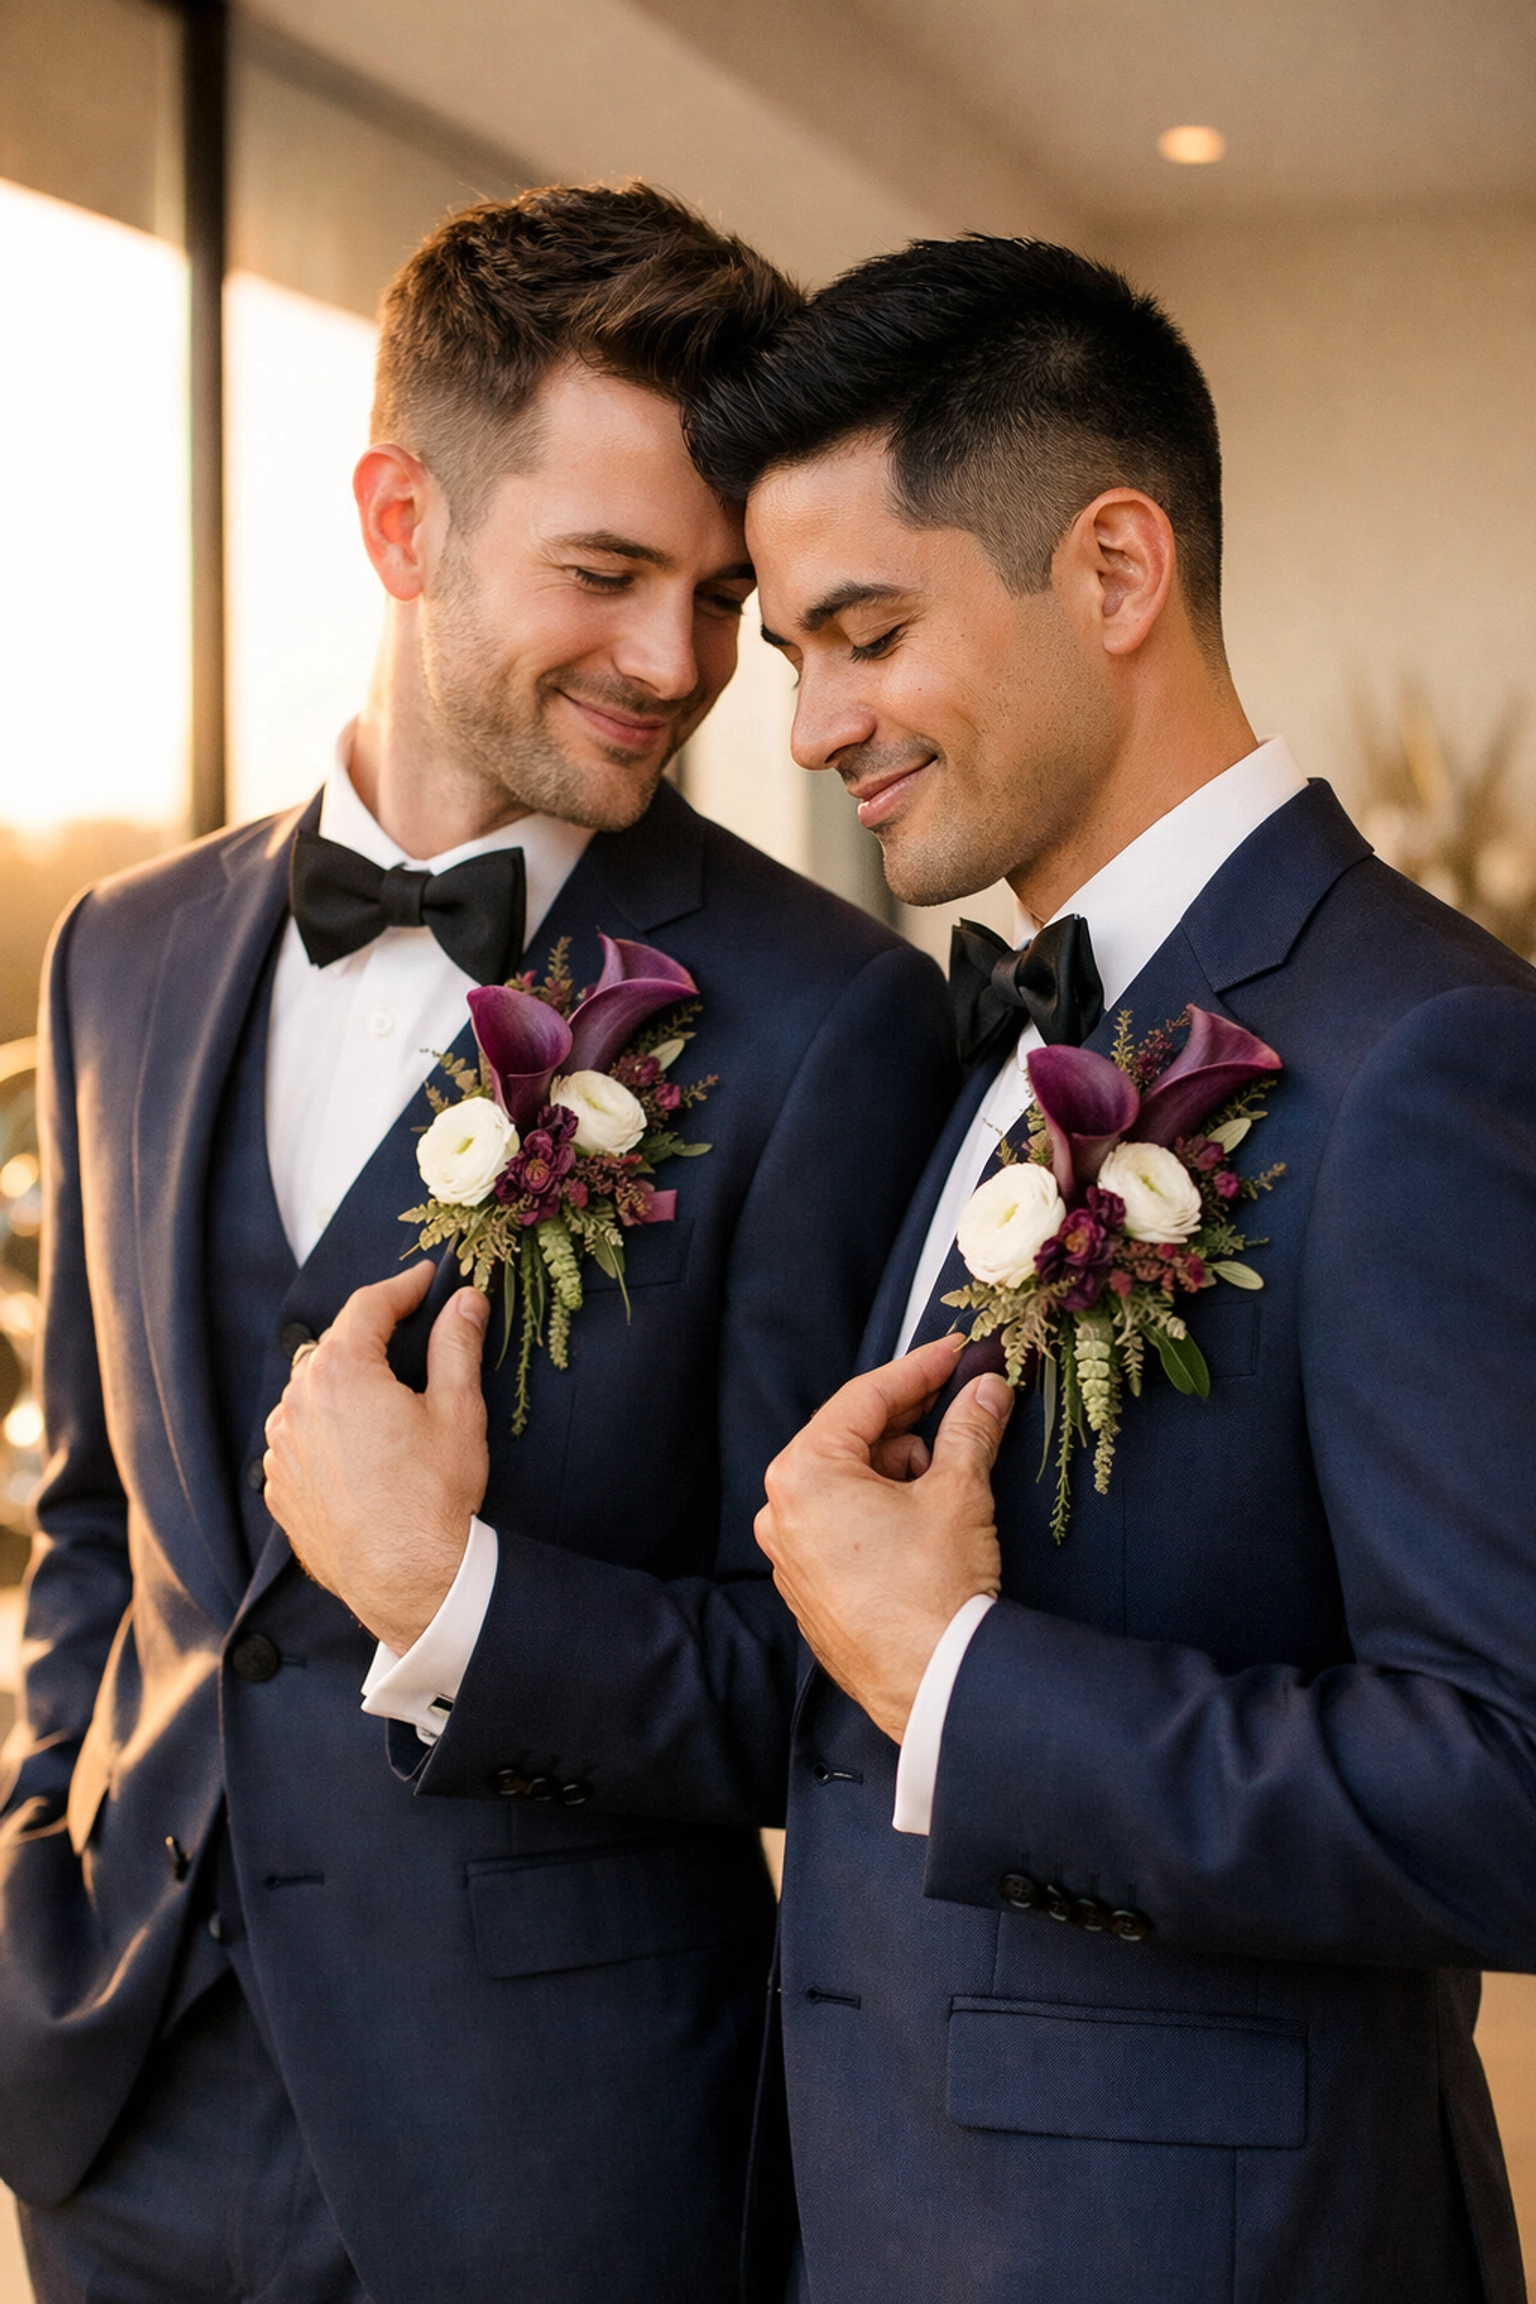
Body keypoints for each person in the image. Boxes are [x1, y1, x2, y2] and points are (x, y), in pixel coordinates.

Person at [0, 186, 957, 2304]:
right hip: (112, 2116)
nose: (677, 666)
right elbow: (91, 1523)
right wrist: (33, 1872)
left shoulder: (829, 1023)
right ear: (400, 520)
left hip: (549, 2165)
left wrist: (462, 1607)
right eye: (606, 575)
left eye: (717, 598)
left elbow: (832, 1686)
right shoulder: (120, 951)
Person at [682, 235, 1536, 2302]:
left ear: (1119, 570)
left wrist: (961, 1681)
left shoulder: (1427, 1053)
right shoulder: (999, 1028)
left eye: (865, 633)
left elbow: (1510, 1787)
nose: (811, 725)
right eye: (791, 652)